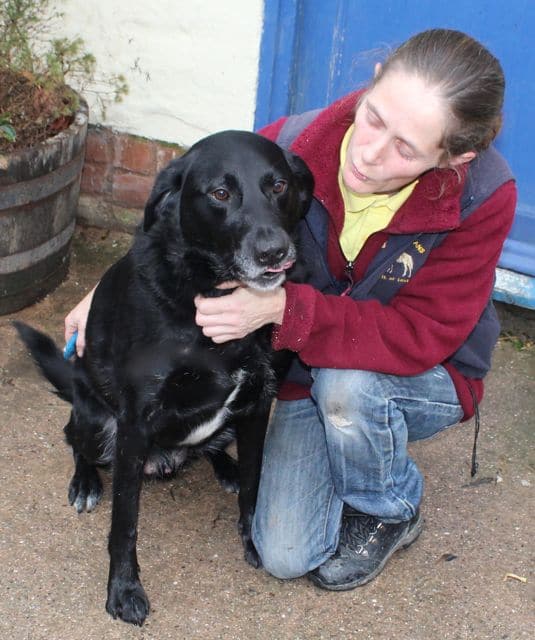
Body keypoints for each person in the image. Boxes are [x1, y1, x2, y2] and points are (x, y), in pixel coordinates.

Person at [65, 29, 516, 591]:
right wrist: (107, 290)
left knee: (349, 389)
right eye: (373, 118)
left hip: (423, 371)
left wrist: (283, 308)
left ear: (455, 158)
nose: (369, 153)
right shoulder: (292, 145)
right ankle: (343, 451)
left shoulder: (483, 196)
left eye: (405, 149)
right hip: (310, 369)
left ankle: (389, 505)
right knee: (284, 551)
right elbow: (192, 211)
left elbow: (422, 334)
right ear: (371, 85)